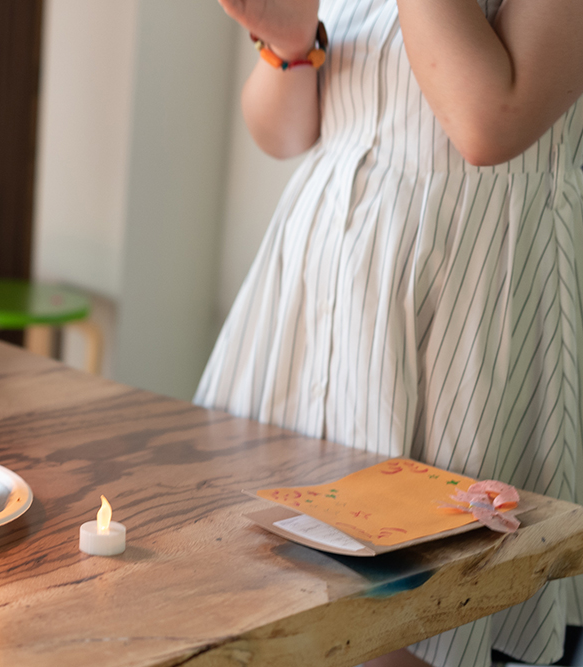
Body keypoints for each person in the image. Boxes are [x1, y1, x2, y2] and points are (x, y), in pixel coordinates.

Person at [197, 0, 583, 665]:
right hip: (312, 302)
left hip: (462, 309)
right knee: (261, 594)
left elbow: (486, 122)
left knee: (408, 619)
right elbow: (283, 133)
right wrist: (288, 45)